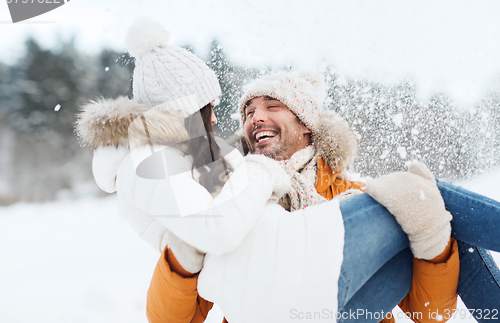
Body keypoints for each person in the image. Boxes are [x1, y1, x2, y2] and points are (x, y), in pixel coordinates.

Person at [76, 18, 500, 322]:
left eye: (272, 106)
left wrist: (434, 244)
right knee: (422, 193)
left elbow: (431, 312)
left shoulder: (355, 193)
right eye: (248, 111)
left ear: (305, 123)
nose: (255, 117)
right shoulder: (225, 182)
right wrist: (183, 257)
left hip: (346, 310)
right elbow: (169, 319)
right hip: (274, 308)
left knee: (430, 208)